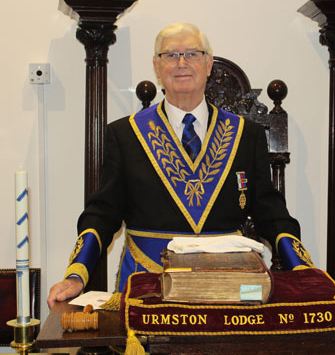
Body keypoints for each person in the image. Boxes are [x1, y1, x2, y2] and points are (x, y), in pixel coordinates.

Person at [47, 22, 301, 308]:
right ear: (157, 67)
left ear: (208, 64)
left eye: (192, 54)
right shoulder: (125, 135)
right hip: (148, 287)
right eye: (171, 55)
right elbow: (103, 213)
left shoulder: (246, 134)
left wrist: (302, 268)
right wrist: (76, 275)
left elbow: (271, 211)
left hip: (230, 287)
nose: (182, 63)